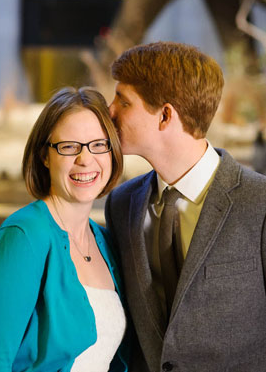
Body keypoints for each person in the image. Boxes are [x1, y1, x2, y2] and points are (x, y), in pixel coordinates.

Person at [105, 42, 266, 372]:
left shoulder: (260, 204)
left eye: (123, 101)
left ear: (165, 115)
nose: (110, 111)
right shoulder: (121, 205)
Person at [0, 87, 129, 372]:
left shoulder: (104, 240)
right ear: (46, 156)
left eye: (98, 144)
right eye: (69, 146)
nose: (85, 159)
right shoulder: (24, 237)